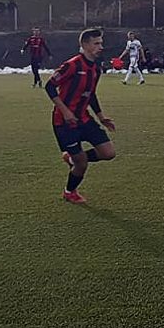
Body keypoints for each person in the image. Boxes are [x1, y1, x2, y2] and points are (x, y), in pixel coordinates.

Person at [44, 28, 116, 204]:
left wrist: (101, 116)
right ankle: (69, 192)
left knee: (108, 153)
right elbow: (49, 86)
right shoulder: (73, 65)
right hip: (64, 122)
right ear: (84, 45)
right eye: (96, 43)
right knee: (81, 164)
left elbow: (90, 94)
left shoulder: (96, 69)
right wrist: (66, 111)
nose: (101, 47)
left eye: (101, 43)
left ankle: (72, 158)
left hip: (84, 119)